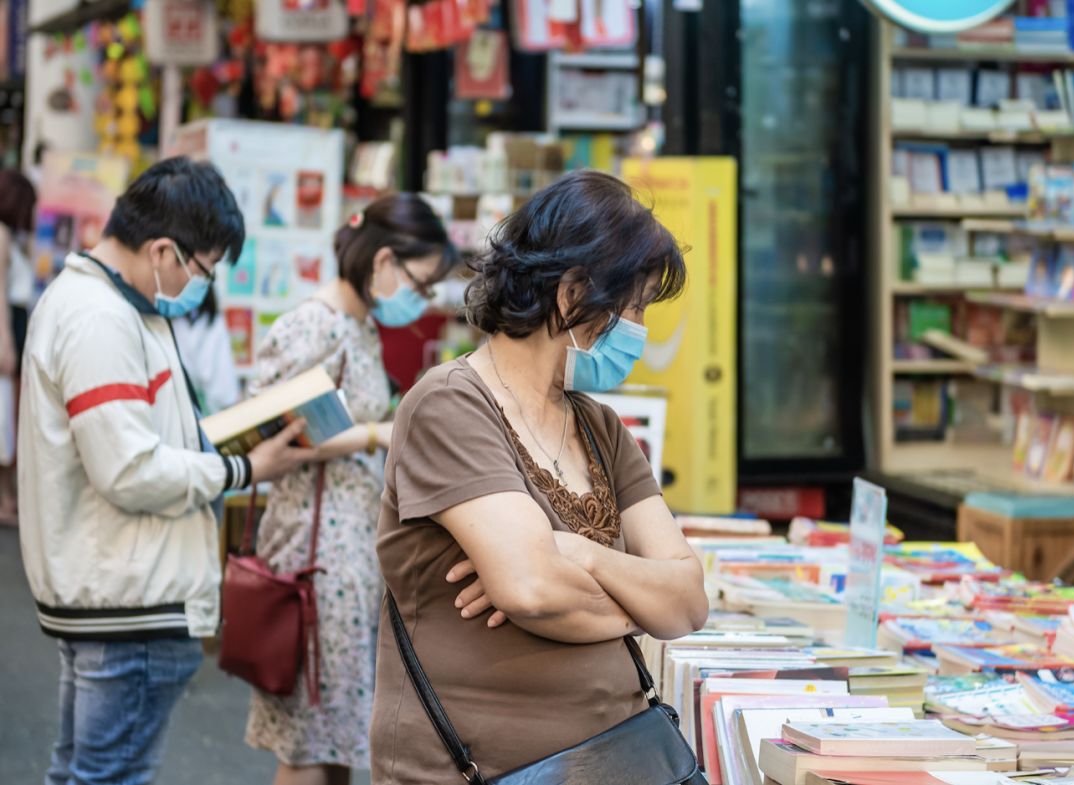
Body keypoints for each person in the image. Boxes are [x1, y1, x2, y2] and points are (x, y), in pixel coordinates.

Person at [370, 170, 709, 784]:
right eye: (634, 305)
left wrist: (580, 553)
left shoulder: (600, 426)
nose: (641, 328)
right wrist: (641, 599)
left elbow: (687, 602)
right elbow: (532, 589)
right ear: (573, 293)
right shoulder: (450, 404)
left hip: (614, 761)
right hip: (476, 769)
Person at [19, 157, 318, 785]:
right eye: (204, 269)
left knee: (81, 772)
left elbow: (135, 438)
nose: (202, 286)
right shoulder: (101, 319)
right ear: (163, 251)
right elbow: (129, 470)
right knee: (108, 775)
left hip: (116, 588)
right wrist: (244, 468)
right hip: (131, 597)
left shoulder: (110, 304)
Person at [245, 193, 459, 785]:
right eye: (419, 283)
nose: (420, 299)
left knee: (336, 731)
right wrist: (374, 433)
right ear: (384, 259)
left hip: (347, 549)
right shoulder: (314, 323)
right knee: (310, 741)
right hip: (315, 554)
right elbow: (276, 431)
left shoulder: (357, 324)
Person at [0, 169, 36, 525]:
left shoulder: (10, 237)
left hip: (15, 326)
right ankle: (6, 498)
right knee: (6, 417)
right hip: (10, 327)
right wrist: (6, 342)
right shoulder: (2, 236)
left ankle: (8, 497)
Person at [172, 287, 240, 415]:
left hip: (216, 406)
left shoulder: (216, 324)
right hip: (183, 403)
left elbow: (222, 376)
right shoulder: (175, 322)